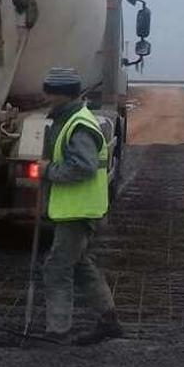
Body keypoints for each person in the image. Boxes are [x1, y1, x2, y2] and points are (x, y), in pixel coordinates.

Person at [37, 67, 122, 346]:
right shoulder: (71, 119)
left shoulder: (79, 124)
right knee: (79, 264)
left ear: (60, 94)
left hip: (78, 210)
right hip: (76, 209)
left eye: (49, 91)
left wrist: (49, 171)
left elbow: (82, 167)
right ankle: (109, 320)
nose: (46, 96)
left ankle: (58, 332)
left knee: (57, 268)